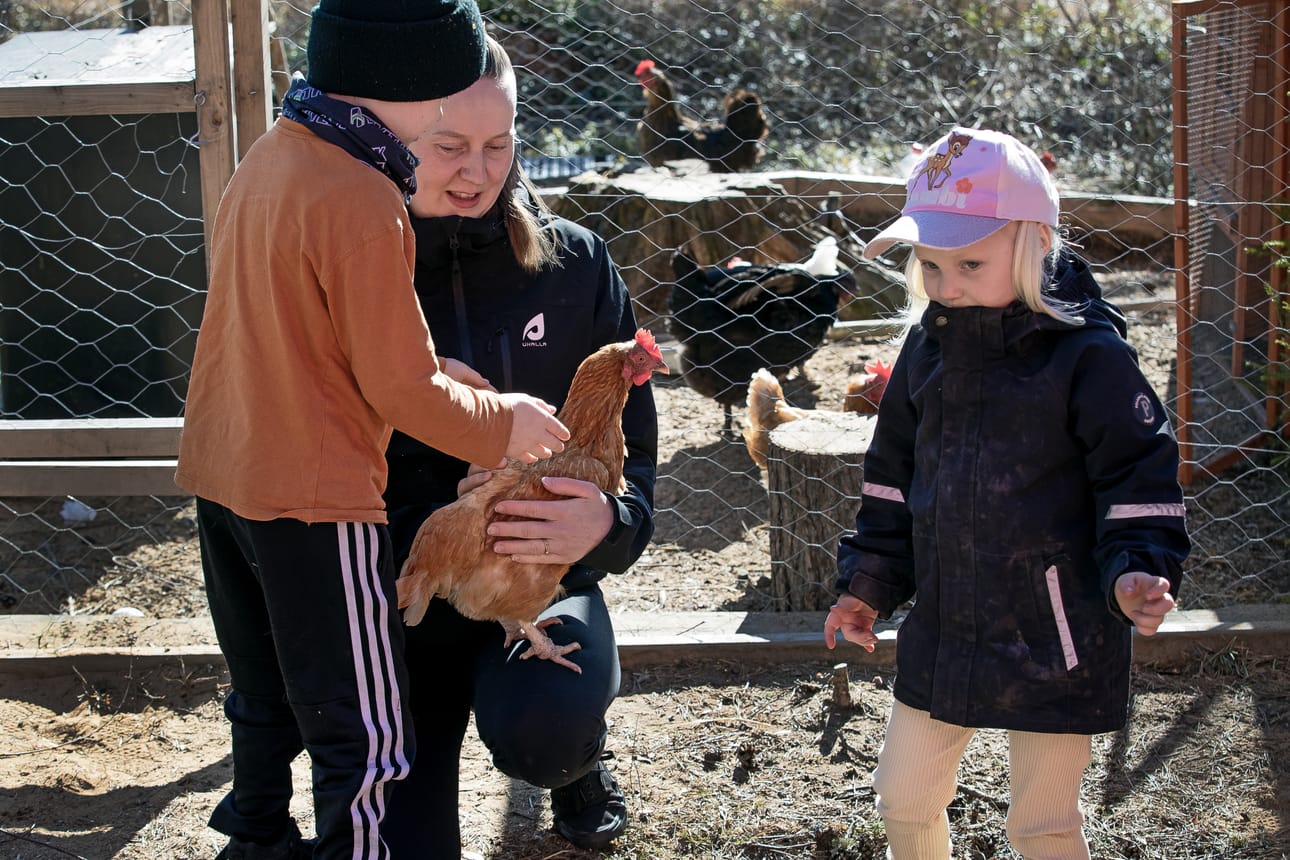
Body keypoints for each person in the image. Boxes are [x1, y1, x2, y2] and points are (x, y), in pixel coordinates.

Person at [174, 2, 573, 858]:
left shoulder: (272, 159)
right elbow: (401, 389)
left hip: (226, 475)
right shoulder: (365, 196)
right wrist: (500, 422)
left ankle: (256, 834)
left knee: (274, 690)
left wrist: (436, 384)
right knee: (368, 740)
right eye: (441, 100)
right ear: (416, 86)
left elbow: (298, 331)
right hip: (317, 501)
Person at [823, 126, 1191, 860]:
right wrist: (867, 585)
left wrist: (1138, 569)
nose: (945, 282)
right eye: (929, 263)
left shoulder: (1091, 357)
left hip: (1061, 628)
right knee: (903, 797)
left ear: (1032, 245)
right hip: (948, 622)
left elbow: (1138, 477)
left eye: (969, 262)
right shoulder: (926, 350)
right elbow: (891, 483)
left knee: (1042, 825)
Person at [378, 37, 657, 855]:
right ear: (396, 144)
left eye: (497, 146)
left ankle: (574, 768)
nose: (477, 171)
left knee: (549, 724)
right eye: (449, 147)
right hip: (409, 575)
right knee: (406, 838)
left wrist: (606, 524)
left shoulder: (575, 265)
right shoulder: (362, 266)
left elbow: (634, 464)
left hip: (542, 576)